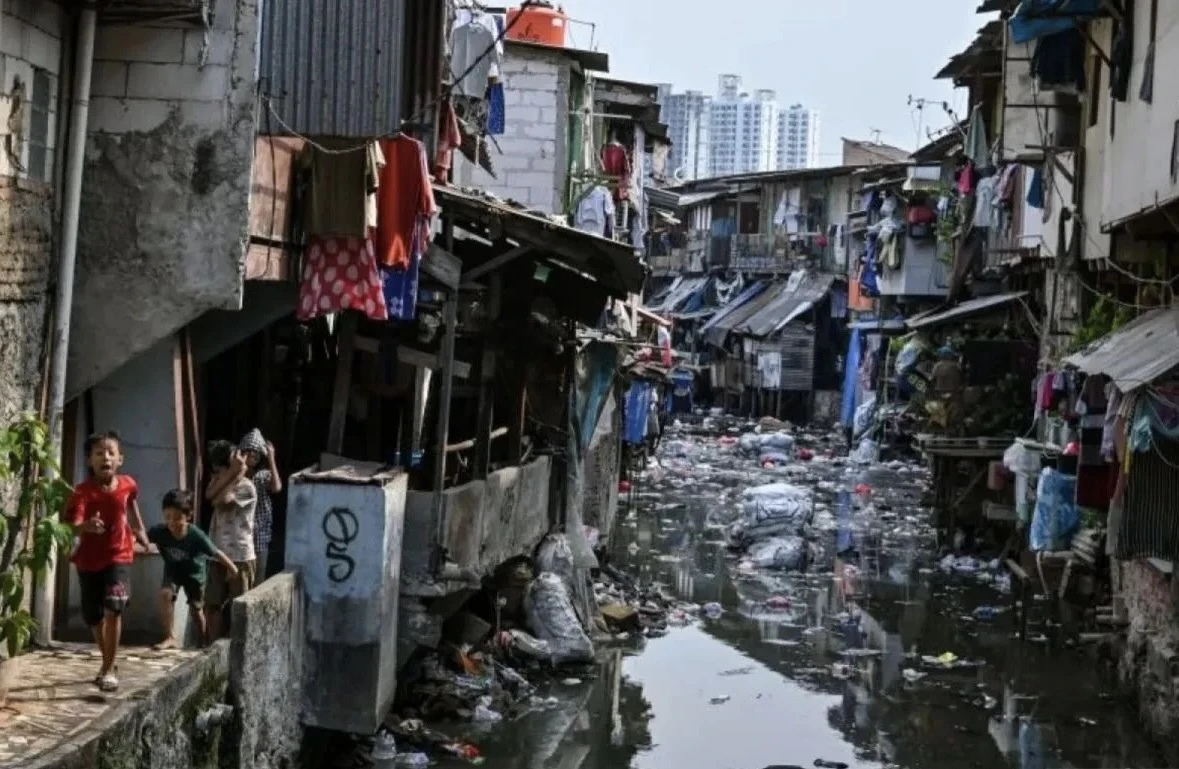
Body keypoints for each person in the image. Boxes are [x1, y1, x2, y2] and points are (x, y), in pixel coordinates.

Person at [64, 430, 149, 692]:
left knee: (114, 608)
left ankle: (109, 668)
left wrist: (140, 531)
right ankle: (107, 660)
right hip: (89, 561)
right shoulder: (82, 492)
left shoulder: (128, 484)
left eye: (110, 452)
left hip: (119, 555)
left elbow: (130, 506)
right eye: (99, 454)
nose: (106, 458)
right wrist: (86, 526)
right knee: (94, 617)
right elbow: (71, 526)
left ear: (120, 458)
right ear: (89, 460)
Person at [148, 489, 239, 649]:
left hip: (194, 575)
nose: (172, 523)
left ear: (188, 516)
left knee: (196, 610)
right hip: (173, 571)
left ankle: (202, 641)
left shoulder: (196, 535)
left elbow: (216, 552)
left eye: (177, 518)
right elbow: (142, 536)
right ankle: (170, 636)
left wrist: (232, 568)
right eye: (168, 517)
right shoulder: (160, 532)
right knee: (165, 595)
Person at [204, 440, 258, 640]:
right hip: (217, 552)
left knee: (239, 607)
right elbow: (210, 495)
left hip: (240, 555)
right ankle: (212, 647)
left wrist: (236, 476)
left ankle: (238, 648)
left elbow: (222, 501)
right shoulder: (218, 481)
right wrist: (231, 474)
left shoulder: (246, 486)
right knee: (213, 604)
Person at [239, 428, 281, 579]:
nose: (252, 454)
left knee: (258, 578)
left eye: (256, 452)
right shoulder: (235, 475)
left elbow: (276, 487)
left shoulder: (262, 476)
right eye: (248, 450)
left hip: (259, 536)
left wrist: (271, 458)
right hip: (240, 536)